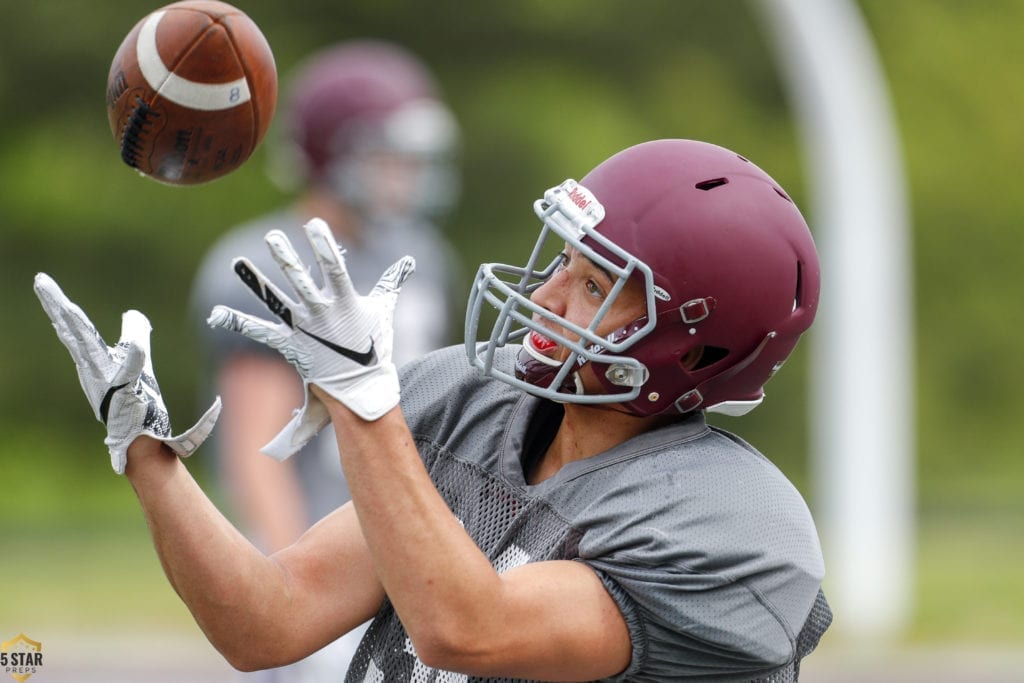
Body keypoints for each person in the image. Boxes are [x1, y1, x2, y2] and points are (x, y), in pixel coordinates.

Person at [36, 139, 831, 681]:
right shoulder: (473, 404)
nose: (546, 296)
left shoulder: (732, 527)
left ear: (691, 351)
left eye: (591, 287)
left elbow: (468, 629)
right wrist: (146, 455)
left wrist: (365, 405)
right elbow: (265, 621)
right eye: (563, 260)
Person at [188, 40, 462, 681]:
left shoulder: (425, 253)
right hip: (321, 548)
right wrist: (287, 581)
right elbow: (256, 453)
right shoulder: (268, 260)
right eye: (388, 155)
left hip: (410, 543)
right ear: (330, 154)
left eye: (414, 157)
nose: (408, 173)